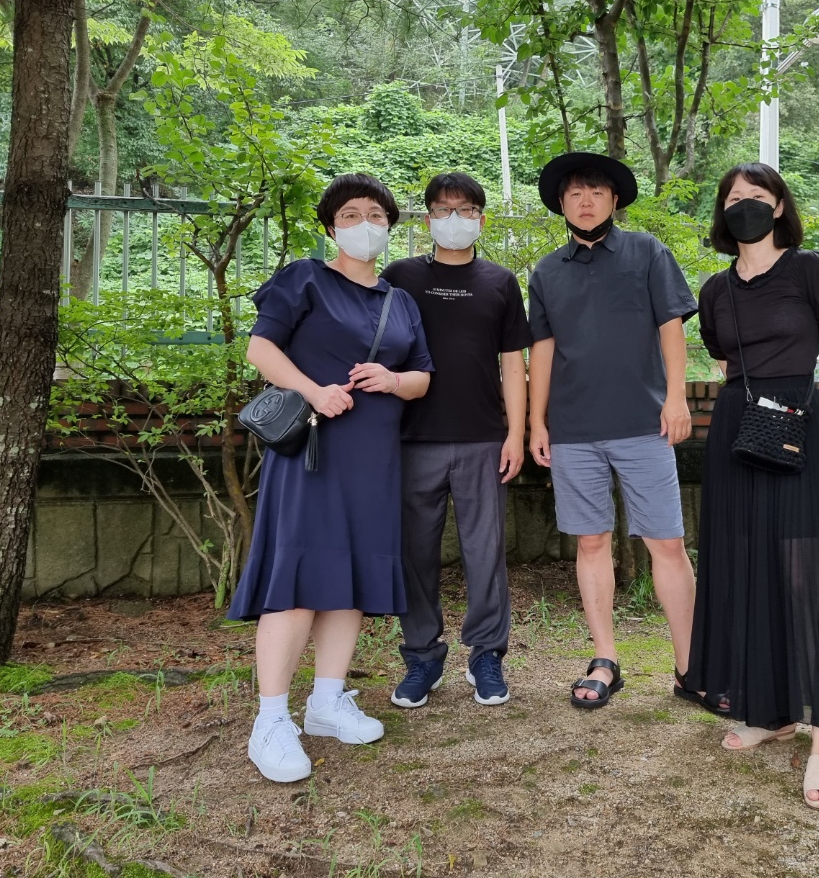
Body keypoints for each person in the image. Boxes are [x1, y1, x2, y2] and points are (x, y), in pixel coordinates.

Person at [229, 173, 434, 784]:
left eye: (376, 214)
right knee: (299, 579)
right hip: (313, 454)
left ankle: (326, 700)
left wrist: (392, 380)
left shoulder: (401, 302)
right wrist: (315, 391)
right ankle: (270, 719)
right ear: (330, 227)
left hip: (374, 458)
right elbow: (260, 349)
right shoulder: (304, 279)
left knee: (352, 579)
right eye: (350, 214)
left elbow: (422, 376)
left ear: (389, 226)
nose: (364, 224)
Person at [684, 163, 819, 811]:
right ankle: (769, 711)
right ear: (722, 211)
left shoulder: (808, 269)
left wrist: (812, 425)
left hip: (796, 428)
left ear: (780, 205)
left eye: (758, 195)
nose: (746, 205)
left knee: (806, 575)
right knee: (745, 567)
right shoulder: (714, 288)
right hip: (736, 430)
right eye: (734, 197)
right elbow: (725, 360)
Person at [526, 151, 698, 710]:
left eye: (596, 191)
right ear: (561, 203)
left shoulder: (647, 252)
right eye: (575, 192)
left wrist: (677, 397)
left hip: (644, 423)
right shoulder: (546, 272)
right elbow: (542, 350)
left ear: (614, 199)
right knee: (591, 541)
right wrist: (536, 421)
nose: (585, 201)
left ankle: (691, 666)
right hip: (573, 429)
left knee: (666, 542)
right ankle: (605, 659)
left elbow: (671, 327)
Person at [383, 172, 533, 708]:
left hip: (483, 439)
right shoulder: (399, 276)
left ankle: (487, 654)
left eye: (465, 209)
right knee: (413, 554)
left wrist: (516, 434)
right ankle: (422, 657)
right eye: (444, 209)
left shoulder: (500, 282)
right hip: (410, 438)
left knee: (485, 553)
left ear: (481, 219)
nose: (454, 218)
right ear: (428, 219)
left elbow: (513, 365)